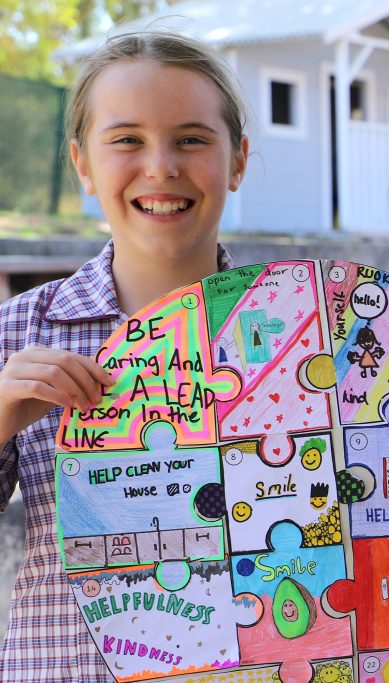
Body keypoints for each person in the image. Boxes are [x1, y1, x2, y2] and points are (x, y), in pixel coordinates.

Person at [0, 30, 249, 681]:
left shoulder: (295, 331)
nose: (161, 165)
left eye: (193, 138)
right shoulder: (20, 328)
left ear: (238, 160)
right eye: (127, 139)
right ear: (82, 163)